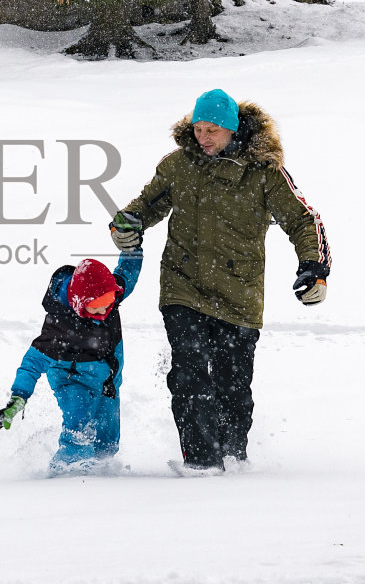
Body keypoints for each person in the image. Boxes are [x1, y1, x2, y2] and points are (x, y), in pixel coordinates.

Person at [110, 89, 329, 473]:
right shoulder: (179, 165)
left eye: (213, 129)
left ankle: (232, 457)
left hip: (238, 292)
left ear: (232, 130)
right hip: (183, 286)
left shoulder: (264, 170)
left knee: (233, 386)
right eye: (198, 128)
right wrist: (124, 226)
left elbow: (302, 219)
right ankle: (201, 463)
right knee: (188, 373)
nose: (203, 137)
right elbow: (143, 207)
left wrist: (313, 267)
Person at [0, 247, 143, 475]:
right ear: (80, 303)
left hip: (106, 380)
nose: (105, 311)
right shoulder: (60, 326)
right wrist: (17, 400)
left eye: (109, 302)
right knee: (79, 423)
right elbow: (31, 364)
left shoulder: (110, 295)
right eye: (97, 306)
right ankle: (67, 473)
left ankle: (103, 475)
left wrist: (132, 246)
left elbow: (128, 271)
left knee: (107, 442)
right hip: (70, 377)